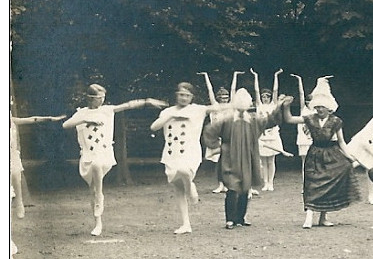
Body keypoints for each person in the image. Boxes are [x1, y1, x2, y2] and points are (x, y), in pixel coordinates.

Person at [62, 84, 167, 236]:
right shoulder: (82, 113)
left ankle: (99, 192)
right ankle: (98, 221)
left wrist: (146, 101)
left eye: (103, 97)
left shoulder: (107, 110)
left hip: (103, 154)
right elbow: (66, 125)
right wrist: (86, 120)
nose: (102, 101)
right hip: (87, 156)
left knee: (97, 169)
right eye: (99, 98)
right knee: (92, 191)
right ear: (91, 99)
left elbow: (128, 105)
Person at [202, 87, 292, 229]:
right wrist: (218, 147)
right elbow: (210, 131)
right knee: (232, 188)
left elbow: (271, 120)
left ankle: (240, 218)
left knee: (245, 187)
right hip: (230, 158)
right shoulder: (227, 119)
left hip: (248, 157)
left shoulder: (253, 119)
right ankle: (230, 219)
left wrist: (280, 105)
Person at [150, 82, 229, 234]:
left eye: (187, 95)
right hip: (171, 153)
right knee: (178, 190)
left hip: (190, 151)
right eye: (181, 95)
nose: (184, 98)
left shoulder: (198, 109)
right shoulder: (168, 111)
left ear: (192, 97)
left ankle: (191, 186)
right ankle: (186, 224)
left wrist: (239, 104)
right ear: (176, 95)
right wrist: (171, 116)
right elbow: (154, 127)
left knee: (184, 170)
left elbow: (219, 107)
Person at [281, 77, 360, 229]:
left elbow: (341, 141)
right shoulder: (310, 118)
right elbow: (289, 119)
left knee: (328, 185)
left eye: (321, 107)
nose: (318, 110)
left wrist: (349, 156)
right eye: (317, 107)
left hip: (331, 154)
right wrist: (286, 106)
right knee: (312, 184)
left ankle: (323, 217)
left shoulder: (336, 121)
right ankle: (309, 216)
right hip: (315, 154)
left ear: (328, 107)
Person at [11, 108, 66, 220]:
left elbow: (33, 119)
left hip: (12, 155)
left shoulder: (12, 120)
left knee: (16, 174)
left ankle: (19, 202)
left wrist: (50, 118)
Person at [199, 71, 242, 193]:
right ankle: (220, 184)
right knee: (218, 162)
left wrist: (235, 76)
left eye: (226, 97)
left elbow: (233, 90)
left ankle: (229, 184)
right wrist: (206, 76)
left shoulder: (231, 106)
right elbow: (210, 91)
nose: (224, 99)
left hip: (228, 136)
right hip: (216, 138)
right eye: (222, 97)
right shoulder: (215, 106)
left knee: (229, 162)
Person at [252, 68, 292, 192]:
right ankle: (265, 183)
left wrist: (276, 75)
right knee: (263, 160)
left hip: (273, 134)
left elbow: (275, 91)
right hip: (262, 136)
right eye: (263, 97)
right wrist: (255, 76)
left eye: (267, 96)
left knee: (271, 160)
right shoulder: (259, 106)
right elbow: (256, 91)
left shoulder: (273, 105)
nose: (265, 98)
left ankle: (271, 182)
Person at [289, 74, 315, 166]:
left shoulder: (317, 111)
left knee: (314, 162)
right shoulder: (303, 109)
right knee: (304, 162)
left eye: (311, 101)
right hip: (303, 138)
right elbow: (301, 94)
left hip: (314, 140)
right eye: (307, 101)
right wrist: (299, 80)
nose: (309, 103)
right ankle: (305, 180)